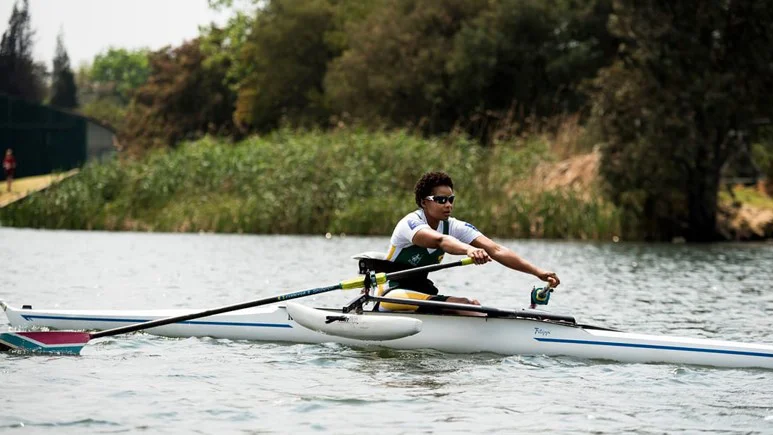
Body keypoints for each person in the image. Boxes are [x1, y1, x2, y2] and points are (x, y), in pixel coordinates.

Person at [377, 171, 560, 314]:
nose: (448, 204)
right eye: (441, 200)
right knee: (465, 304)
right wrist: (470, 250)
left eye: (451, 199)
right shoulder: (410, 223)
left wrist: (538, 272)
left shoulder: (454, 226)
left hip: (419, 292)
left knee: (471, 305)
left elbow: (495, 249)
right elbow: (441, 240)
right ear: (424, 202)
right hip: (390, 294)